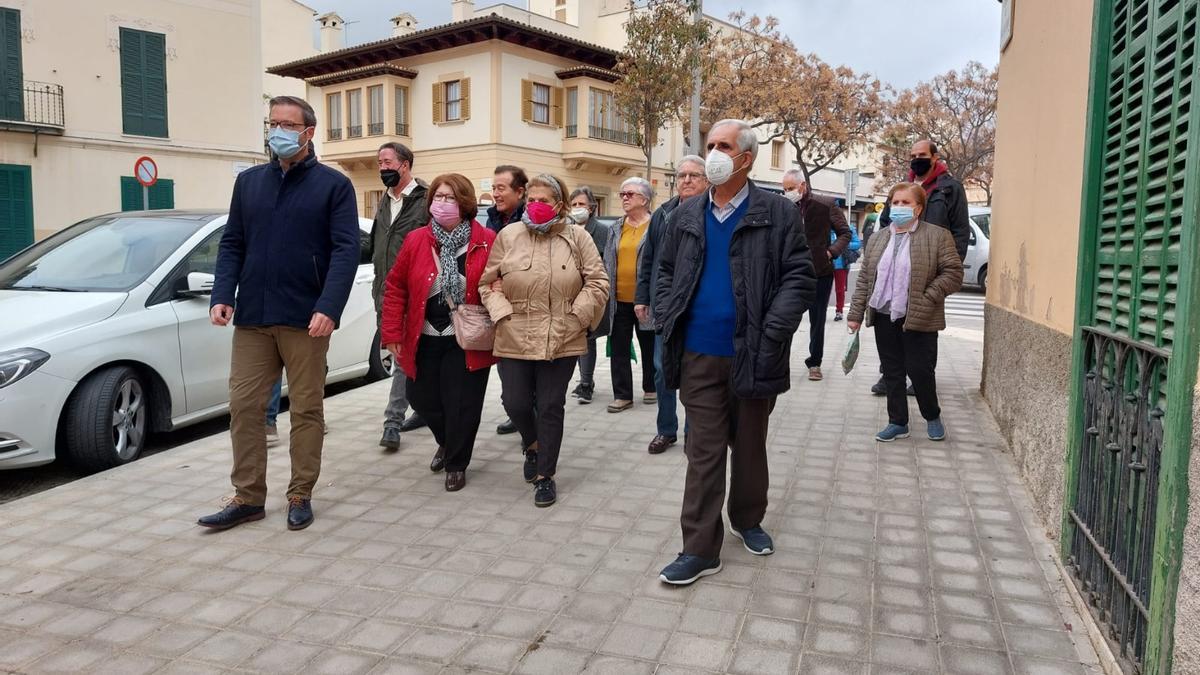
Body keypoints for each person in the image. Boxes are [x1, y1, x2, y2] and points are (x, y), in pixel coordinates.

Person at [653, 119, 815, 585]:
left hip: (754, 351)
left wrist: (772, 333)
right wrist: (667, 316)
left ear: (746, 158)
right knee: (702, 452)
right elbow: (665, 272)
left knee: (748, 447)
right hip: (698, 353)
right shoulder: (684, 214)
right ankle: (700, 548)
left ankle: (748, 519)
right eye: (710, 146)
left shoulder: (778, 213)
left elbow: (799, 277)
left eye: (724, 146)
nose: (714, 154)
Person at [200, 96, 359, 532]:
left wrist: (329, 306)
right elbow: (233, 241)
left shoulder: (333, 185)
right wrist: (222, 292)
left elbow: (347, 250)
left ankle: (300, 493)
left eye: (288, 124)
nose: (278, 132)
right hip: (253, 316)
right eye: (273, 123)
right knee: (245, 407)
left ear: (308, 132)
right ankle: (248, 497)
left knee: (306, 410)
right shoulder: (249, 182)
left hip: (307, 317)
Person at [480, 174, 609, 508]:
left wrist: (577, 315)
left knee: (551, 405)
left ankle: (545, 475)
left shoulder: (577, 237)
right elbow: (487, 283)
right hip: (514, 333)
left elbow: (597, 282)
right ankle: (532, 444)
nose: (536, 205)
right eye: (531, 199)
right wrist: (501, 313)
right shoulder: (508, 236)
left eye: (544, 200)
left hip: (561, 334)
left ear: (559, 205)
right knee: (516, 402)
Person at [380, 174, 497, 492]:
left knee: (462, 403)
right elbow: (396, 287)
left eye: (451, 198)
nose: (442, 204)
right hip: (425, 335)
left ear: (466, 204)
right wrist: (391, 331)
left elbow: (499, 285)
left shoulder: (486, 239)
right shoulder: (418, 239)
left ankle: (456, 463)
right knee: (421, 397)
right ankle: (446, 441)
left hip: (467, 337)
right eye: (438, 197)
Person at [848, 182, 963, 443]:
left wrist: (927, 297)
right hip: (884, 315)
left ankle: (932, 415)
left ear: (919, 208)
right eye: (895, 202)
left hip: (920, 317)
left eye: (906, 203)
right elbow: (866, 279)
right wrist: (855, 315)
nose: (899, 207)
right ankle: (897, 422)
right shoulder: (878, 238)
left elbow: (954, 274)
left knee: (920, 371)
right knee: (892, 371)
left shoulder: (937, 236)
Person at [871, 139, 970, 395]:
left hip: (930, 268)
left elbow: (960, 229)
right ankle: (890, 376)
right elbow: (885, 223)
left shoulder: (950, 188)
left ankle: (921, 380)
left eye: (922, 154)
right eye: (913, 155)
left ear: (935, 157)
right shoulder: (903, 188)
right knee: (891, 320)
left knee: (924, 325)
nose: (917, 159)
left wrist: (950, 268)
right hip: (897, 265)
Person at [635, 155, 707, 454]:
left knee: (694, 372)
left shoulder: (711, 214)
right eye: (682, 176)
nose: (686, 181)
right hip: (664, 306)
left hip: (698, 306)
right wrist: (642, 298)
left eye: (693, 175)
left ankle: (694, 433)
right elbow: (648, 259)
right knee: (662, 369)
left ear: (706, 180)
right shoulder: (663, 214)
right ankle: (666, 430)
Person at [368, 143, 429, 450]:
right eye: (379, 163)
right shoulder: (384, 202)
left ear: (405, 165)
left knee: (404, 357)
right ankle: (424, 408)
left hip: (415, 294)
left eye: (387, 162)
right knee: (403, 356)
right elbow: (377, 246)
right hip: (384, 292)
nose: (382, 168)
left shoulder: (426, 200)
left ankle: (393, 421)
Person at [782, 169, 851, 381]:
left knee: (818, 319)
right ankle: (779, 362)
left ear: (802, 185)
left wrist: (830, 253)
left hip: (819, 271)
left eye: (791, 188)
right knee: (783, 318)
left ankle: (815, 362)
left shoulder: (825, 204)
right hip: (789, 272)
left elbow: (845, 233)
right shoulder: (783, 206)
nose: (788, 192)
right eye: (784, 189)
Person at [604, 177, 657, 414]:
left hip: (646, 299)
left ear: (644, 200)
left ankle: (651, 387)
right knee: (619, 348)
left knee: (648, 344)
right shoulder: (616, 227)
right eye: (622, 194)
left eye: (630, 194)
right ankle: (622, 395)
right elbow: (607, 260)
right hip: (618, 300)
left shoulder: (657, 225)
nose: (624, 198)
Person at [487, 165, 529, 435]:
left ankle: (531, 419)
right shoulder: (492, 218)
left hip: (526, 305)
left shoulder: (530, 220)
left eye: (501, 188)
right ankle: (518, 413)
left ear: (519, 191)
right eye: (493, 188)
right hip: (500, 305)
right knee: (507, 367)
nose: (495, 194)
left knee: (528, 368)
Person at [567, 186, 612, 404]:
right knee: (576, 337)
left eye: (581, 204)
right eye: (574, 204)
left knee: (588, 337)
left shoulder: (601, 231)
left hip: (589, 291)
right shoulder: (565, 229)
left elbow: (602, 263)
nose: (577, 208)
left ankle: (586, 383)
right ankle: (584, 380)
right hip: (568, 291)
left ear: (591, 208)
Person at [831, 225, 861, 321]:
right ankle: (821, 310)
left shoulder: (848, 228)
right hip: (826, 263)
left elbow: (858, 244)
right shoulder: (825, 227)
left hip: (841, 264)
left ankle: (839, 311)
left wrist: (843, 244)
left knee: (840, 290)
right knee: (823, 289)